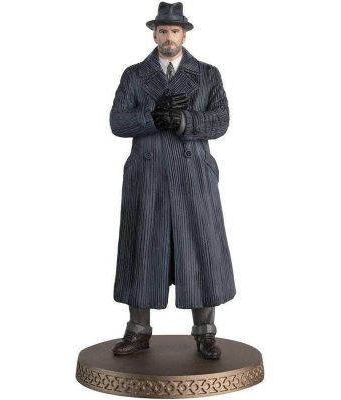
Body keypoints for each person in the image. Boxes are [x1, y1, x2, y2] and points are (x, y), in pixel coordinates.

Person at [109, 2, 236, 360]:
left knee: (201, 249)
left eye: (174, 31)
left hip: (193, 176)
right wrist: (153, 116)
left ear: (184, 35)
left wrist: (183, 121)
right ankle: (138, 332)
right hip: (147, 176)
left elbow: (221, 121)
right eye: (163, 31)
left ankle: (205, 333)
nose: (169, 37)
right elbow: (117, 122)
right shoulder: (134, 75)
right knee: (142, 249)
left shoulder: (207, 74)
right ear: (154, 34)